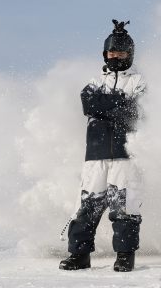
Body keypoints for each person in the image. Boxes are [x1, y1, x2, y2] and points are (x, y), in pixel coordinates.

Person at [60, 19, 146, 272]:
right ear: (105, 54)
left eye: (120, 52)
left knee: (124, 204)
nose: (116, 56)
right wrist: (118, 103)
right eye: (112, 52)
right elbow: (89, 103)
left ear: (130, 54)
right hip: (95, 154)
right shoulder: (96, 81)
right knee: (87, 203)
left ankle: (124, 255)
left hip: (125, 154)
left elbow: (135, 110)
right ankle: (79, 254)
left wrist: (108, 105)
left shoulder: (139, 81)